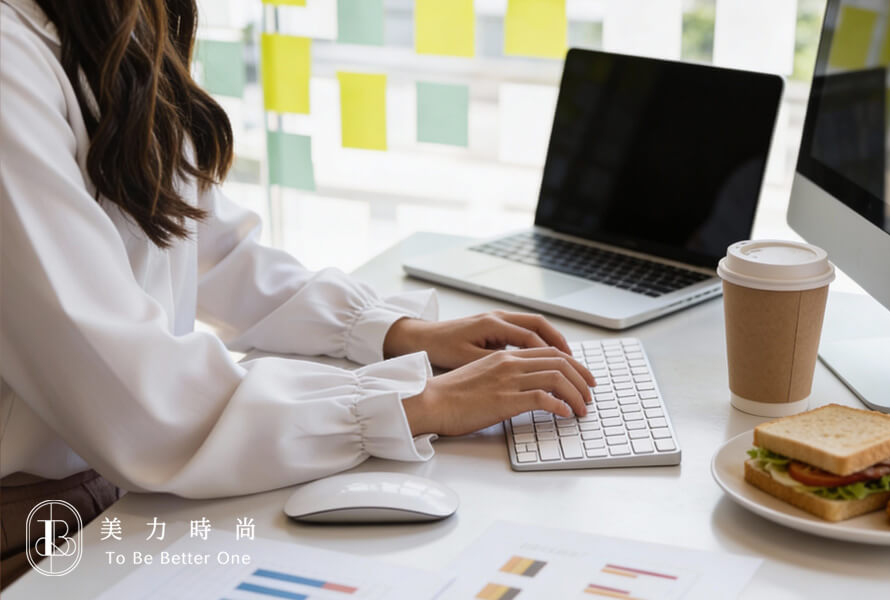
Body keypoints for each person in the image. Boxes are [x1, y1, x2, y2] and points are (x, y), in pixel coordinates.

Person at [0, 0, 593, 585]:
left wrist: (397, 333)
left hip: (117, 487)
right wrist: (414, 403)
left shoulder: (110, 21)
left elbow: (200, 244)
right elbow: (130, 391)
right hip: (30, 528)